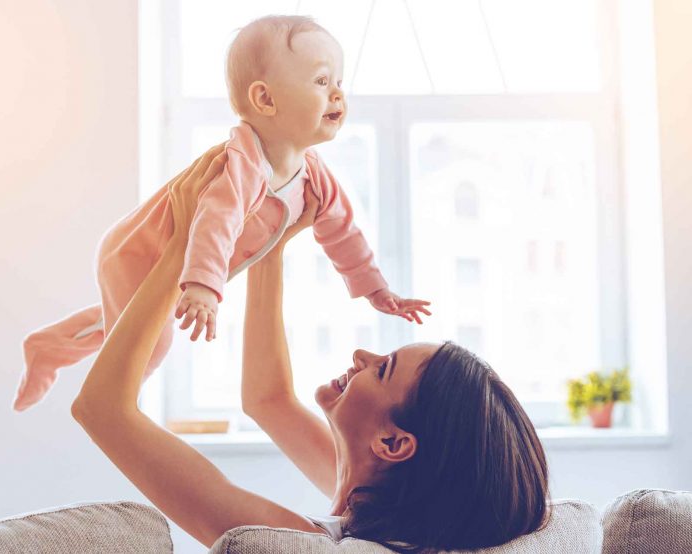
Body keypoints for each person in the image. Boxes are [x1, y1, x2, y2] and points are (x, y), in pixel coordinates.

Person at [71, 146, 550, 552]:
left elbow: (101, 409)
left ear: (393, 443)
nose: (363, 355)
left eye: (383, 371)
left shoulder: (299, 544)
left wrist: (183, 242)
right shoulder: (375, 512)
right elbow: (268, 400)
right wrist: (271, 245)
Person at [13, 15, 430, 412]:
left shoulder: (313, 174)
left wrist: (376, 290)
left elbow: (343, 232)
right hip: (136, 254)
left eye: (339, 82)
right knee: (148, 346)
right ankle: (98, 387)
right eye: (322, 81)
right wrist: (204, 288)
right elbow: (217, 222)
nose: (338, 94)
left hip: (178, 270)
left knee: (126, 325)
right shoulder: (242, 164)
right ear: (265, 99)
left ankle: (49, 345)